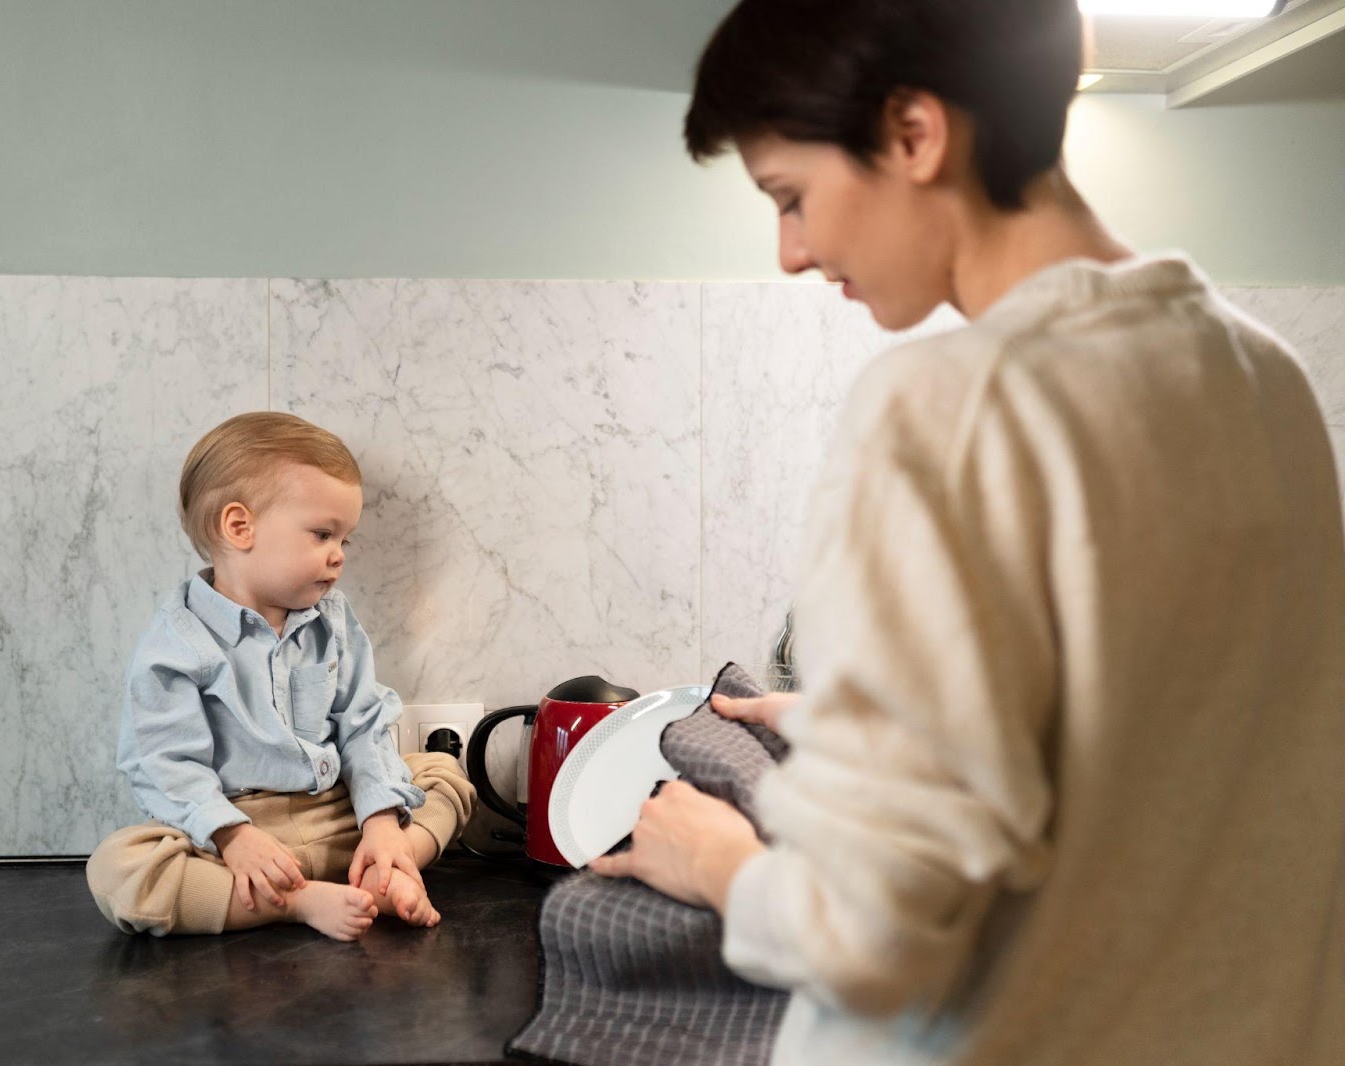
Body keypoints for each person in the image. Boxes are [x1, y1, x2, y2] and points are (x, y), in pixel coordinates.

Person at [590, 2, 1345, 1063]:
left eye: (790, 197)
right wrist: (858, 717)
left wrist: (717, 861)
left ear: (913, 133)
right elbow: (1161, 739)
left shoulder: (946, 406)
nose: (791, 253)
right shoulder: (1265, 379)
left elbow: (874, 935)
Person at [87, 412, 476, 941]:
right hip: (238, 838)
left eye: (345, 539)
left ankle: (386, 862)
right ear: (239, 527)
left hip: (336, 814)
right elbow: (164, 762)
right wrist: (233, 837)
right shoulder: (177, 642)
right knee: (119, 869)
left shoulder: (332, 620)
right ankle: (295, 901)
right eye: (322, 534)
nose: (338, 556)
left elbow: (362, 726)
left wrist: (383, 825)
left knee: (441, 773)